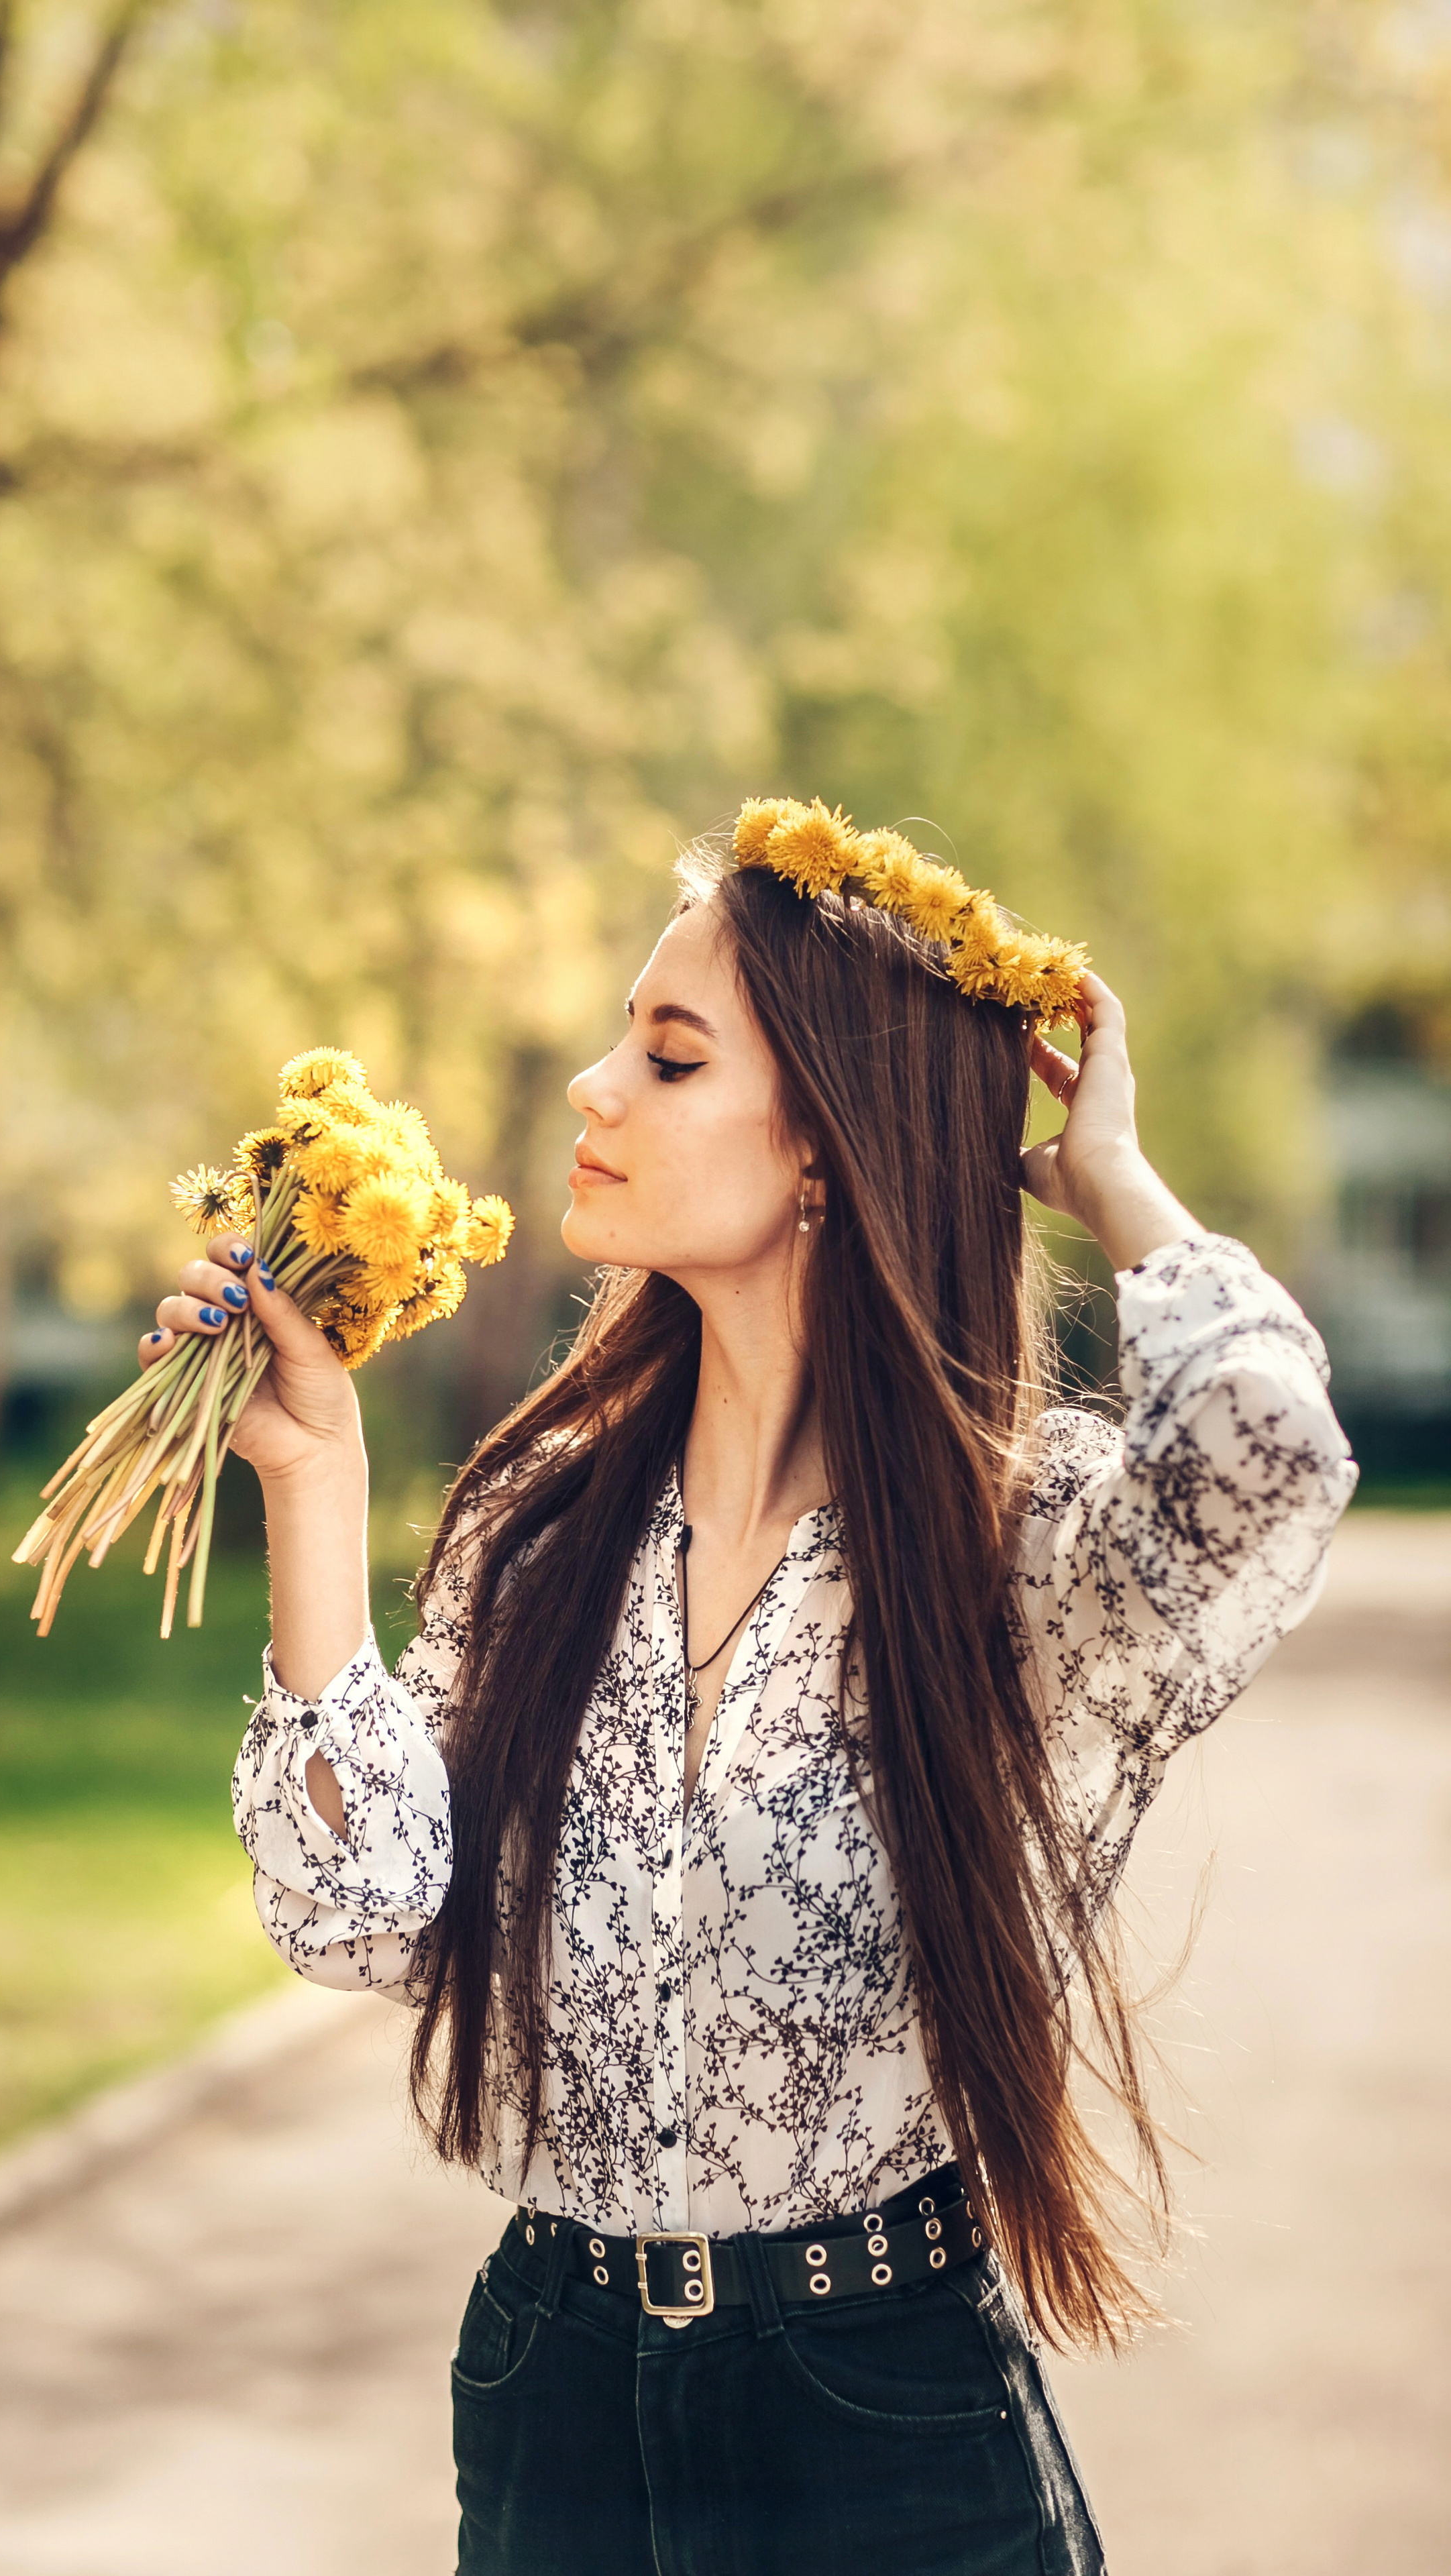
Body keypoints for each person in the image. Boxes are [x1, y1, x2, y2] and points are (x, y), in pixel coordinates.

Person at [142, 799, 1356, 2575]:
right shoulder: (543, 1525)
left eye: (671, 1055)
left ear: (824, 1150)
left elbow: (1270, 1456)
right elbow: (367, 1919)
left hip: (879, 2416)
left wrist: (1111, 1177)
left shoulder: (1012, 1557)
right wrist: (312, 1480)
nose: (593, 1089)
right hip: (554, 2393)